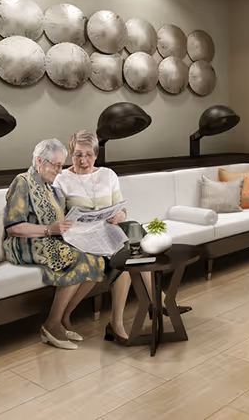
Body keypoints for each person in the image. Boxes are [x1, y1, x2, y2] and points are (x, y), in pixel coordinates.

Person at [54, 130, 190, 344]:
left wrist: (120, 216)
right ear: (71, 153)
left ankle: (123, 320)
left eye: (89, 155)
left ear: (96, 154)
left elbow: (121, 208)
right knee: (130, 254)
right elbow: (56, 216)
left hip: (106, 231)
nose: (84, 160)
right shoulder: (61, 179)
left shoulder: (108, 175)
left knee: (132, 235)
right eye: (78, 154)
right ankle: (156, 302)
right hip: (78, 236)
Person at [3, 139, 106, 349]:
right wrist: (50, 230)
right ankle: (51, 325)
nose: (60, 171)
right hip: (23, 243)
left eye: (61, 166)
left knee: (97, 260)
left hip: (51, 239)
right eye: (56, 165)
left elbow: (59, 222)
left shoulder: (51, 188)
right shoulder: (22, 182)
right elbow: (13, 227)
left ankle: (64, 318)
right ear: (39, 161)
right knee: (74, 258)